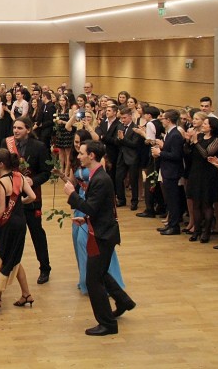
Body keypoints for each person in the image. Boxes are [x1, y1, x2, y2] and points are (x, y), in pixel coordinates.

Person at [64, 140, 136, 336]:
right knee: (101, 272)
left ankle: (107, 324)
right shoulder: (98, 176)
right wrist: (86, 219)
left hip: (103, 235)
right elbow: (99, 209)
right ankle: (123, 301)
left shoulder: (100, 179)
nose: (79, 156)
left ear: (92, 156)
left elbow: (91, 207)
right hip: (102, 230)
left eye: (82, 153)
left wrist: (72, 194)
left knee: (93, 279)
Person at [67, 130, 125, 295]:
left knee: (92, 245)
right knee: (79, 241)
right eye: (75, 142)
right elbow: (73, 180)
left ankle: (98, 283)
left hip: (92, 206)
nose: (77, 147)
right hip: (82, 205)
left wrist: (73, 195)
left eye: (80, 144)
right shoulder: (78, 160)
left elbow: (96, 200)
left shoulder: (100, 174)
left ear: (91, 154)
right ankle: (87, 280)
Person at [6, 117, 52, 284]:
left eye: (19, 128)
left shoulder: (39, 147)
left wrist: (33, 181)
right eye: (14, 127)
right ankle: (8, 267)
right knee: (11, 234)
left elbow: (46, 172)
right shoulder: (7, 143)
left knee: (36, 233)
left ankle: (45, 268)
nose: (16, 131)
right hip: (12, 195)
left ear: (28, 129)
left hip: (32, 196)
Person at [0, 148, 36, 312]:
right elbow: (32, 196)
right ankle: (26, 294)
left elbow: (1, 208)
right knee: (15, 258)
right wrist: (20, 203)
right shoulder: (20, 177)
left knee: (0, 258)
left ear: (0, 164)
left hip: (6, 224)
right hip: (20, 222)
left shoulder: (0, 182)